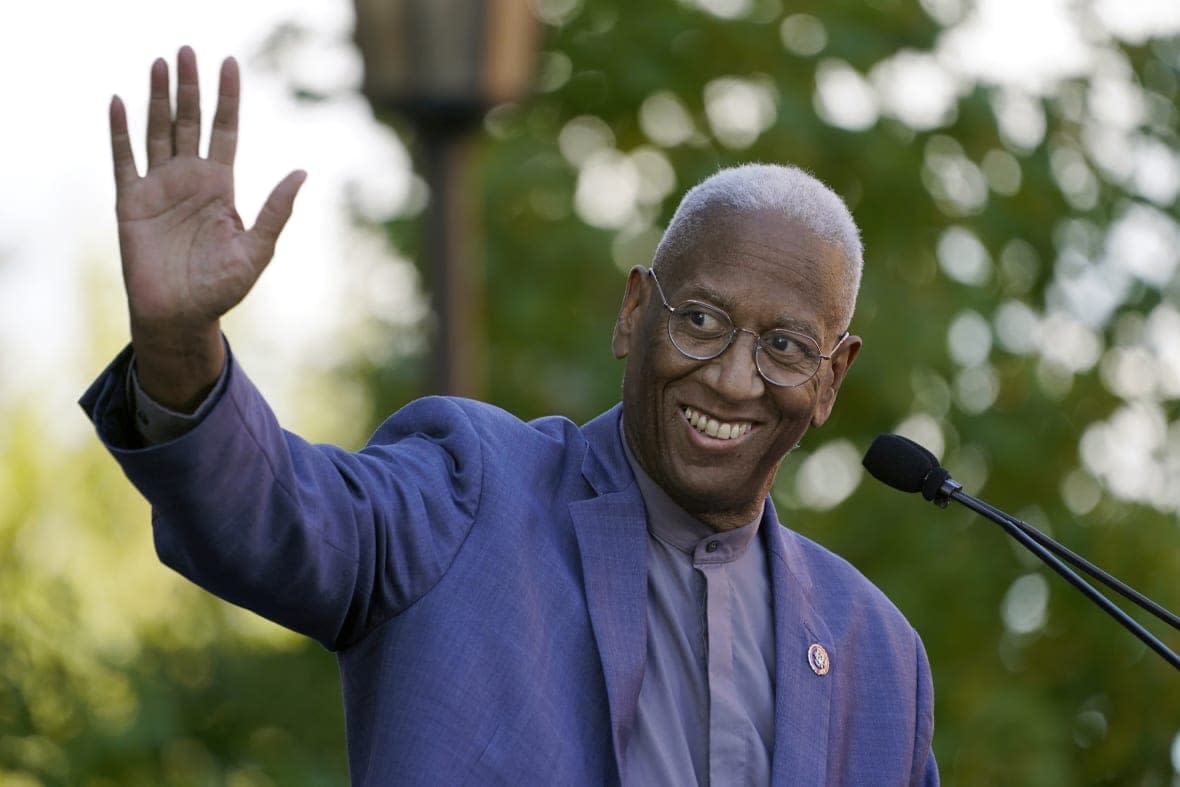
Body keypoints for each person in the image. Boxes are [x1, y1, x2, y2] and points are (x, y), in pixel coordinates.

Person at [82, 47, 938, 786]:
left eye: (786, 346)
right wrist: (180, 343)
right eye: (702, 321)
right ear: (635, 312)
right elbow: (274, 517)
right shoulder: (470, 490)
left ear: (831, 379)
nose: (735, 379)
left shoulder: (880, 658)